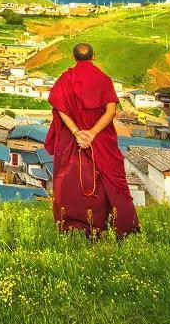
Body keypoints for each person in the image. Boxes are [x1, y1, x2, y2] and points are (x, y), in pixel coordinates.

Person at [44, 42, 139, 239]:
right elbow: (111, 111)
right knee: (111, 182)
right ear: (93, 57)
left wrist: (78, 133)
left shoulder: (65, 79)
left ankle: (75, 226)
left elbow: (61, 109)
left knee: (73, 182)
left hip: (74, 140)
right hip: (101, 139)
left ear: (74, 58)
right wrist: (93, 133)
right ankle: (121, 227)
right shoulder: (103, 79)